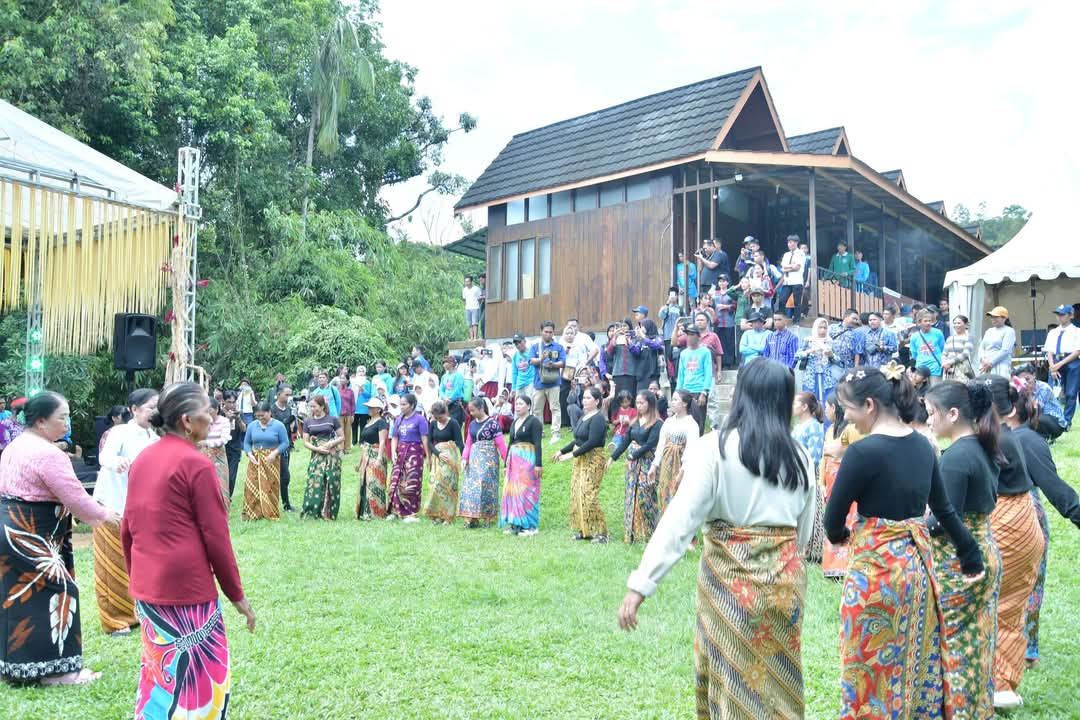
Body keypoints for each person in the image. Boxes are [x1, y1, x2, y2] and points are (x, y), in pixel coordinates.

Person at [618, 360, 815, 719]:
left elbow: (680, 522)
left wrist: (641, 584)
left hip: (730, 587)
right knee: (781, 680)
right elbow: (803, 530)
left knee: (730, 681)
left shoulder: (715, 448)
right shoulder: (799, 454)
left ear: (741, 396)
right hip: (786, 584)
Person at [826, 365, 985, 718]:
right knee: (914, 655)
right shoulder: (924, 447)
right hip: (916, 571)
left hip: (874, 576)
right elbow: (943, 509)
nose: (847, 419)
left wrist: (842, 536)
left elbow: (832, 522)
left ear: (869, 405)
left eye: (848, 410)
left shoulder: (861, 453)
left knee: (866, 663)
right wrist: (970, 553)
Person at [123, 382, 255, 718]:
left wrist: (134, 580)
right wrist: (236, 595)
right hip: (188, 589)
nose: (211, 418)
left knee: (159, 672)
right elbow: (217, 538)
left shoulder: (143, 460)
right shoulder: (196, 465)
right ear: (186, 420)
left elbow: (128, 527)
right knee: (200, 677)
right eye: (205, 412)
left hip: (149, 585)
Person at [0, 391, 119, 685]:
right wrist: (105, 515)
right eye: (62, 417)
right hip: (30, 530)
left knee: (17, 597)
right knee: (60, 591)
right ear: (41, 421)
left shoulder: (16, 446)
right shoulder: (47, 453)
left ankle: (17, 667)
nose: (67, 423)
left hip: (12, 526)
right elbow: (76, 497)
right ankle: (58, 671)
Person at [924, 380, 1006, 717]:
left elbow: (945, 521)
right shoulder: (983, 447)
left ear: (953, 414)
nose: (928, 420)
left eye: (931, 414)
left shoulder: (956, 456)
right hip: (985, 548)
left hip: (959, 563)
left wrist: (912, 523)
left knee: (954, 648)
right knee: (977, 647)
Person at [975, 375, 1046, 709]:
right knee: (1010, 609)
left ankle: (989, 683)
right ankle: (1002, 683)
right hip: (1025, 523)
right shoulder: (1012, 434)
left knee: (990, 605)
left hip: (1007, 524)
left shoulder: (991, 438)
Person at [1003, 381, 1080, 676]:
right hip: (999, 519)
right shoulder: (997, 436)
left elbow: (1055, 489)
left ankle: (1027, 648)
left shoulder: (1027, 440)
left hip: (1025, 517)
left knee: (1028, 584)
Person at [93, 388, 160, 636]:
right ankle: (115, 620)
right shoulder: (119, 432)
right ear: (133, 409)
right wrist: (116, 462)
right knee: (112, 564)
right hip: (111, 506)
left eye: (157, 407)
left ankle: (140, 612)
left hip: (140, 511)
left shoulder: (155, 438)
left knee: (139, 563)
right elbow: (104, 456)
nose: (154, 411)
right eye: (149, 407)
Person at [554, 386, 609, 543]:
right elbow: (577, 439)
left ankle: (602, 533)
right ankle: (585, 530)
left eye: (588, 398)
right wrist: (561, 451)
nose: (585, 401)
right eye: (584, 397)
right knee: (577, 493)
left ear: (597, 401)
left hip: (593, 459)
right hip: (580, 459)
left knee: (588, 494)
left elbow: (592, 442)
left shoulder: (598, 418)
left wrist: (571, 455)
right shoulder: (584, 417)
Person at [606, 390, 661, 544]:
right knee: (632, 496)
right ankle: (633, 534)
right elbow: (625, 441)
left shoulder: (657, 423)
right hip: (633, 465)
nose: (639, 405)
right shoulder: (635, 422)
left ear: (650, 404)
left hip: (647, 463)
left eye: (642, 402)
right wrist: (612, 458)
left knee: (645, 496)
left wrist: (633, 455)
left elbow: (650, 444)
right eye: (637, 403)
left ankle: (650, 532)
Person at [459, 397, 507, 528]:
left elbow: (501, 444)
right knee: (471, 488)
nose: (471, 413)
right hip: (474, 460)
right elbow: (468, 443)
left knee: (487, 487)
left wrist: (507, 461)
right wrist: (464, 458)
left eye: (473, 410)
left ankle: (487, 518)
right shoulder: (472, 424)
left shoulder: (493, 424)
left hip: (489, 459)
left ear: (481, 408)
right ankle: (472, 519)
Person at [648, 389, 698, 515]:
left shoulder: (691, 424)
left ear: (685, 404)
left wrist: (682, 471)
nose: (672, 402)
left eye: (676, 400)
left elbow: (691, 451)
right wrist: (654, 466)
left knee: (680, 498)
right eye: (672, 399)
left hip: (681, 466)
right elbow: (661, 445)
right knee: (665, 494)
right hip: (666, 465)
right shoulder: (669, 422)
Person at [500, 394, 544, 536]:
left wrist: (538, 464)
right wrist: (506, 464)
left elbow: (538, 443)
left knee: (526, 491)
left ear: (529, 406)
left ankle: (530, 526)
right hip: (514, 462)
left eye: (520, 404)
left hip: (528, 459)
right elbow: (510, 443)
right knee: (513, 492)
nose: (517, 406)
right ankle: (516, 524)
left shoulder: (534, 422)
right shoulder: (514, 422)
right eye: (516, 404)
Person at [241, 401, 289, 521]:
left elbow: (285, 443)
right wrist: (249, 453)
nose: (261, 418)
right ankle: (253, 513)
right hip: (256, 459)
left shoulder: (278, 426)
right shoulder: (252, 426)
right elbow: (247, 443)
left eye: (263, 415)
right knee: (252, 485)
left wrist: (274, 453)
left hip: (271, 460)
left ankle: (270, 511)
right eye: (258, 416)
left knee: (270, 486)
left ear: (269, 412)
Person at [388, 393, 429, 521]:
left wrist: (428, 456)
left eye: (404, 404)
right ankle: (396, 510)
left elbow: (424, 438)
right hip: (400, 453)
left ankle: (411, 513)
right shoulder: (399, 419)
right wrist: (393, 451)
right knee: (395, 481)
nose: (401, 407)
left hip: (414, 454)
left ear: (412, 405)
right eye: (400, 404)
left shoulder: (420, 419)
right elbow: (395, 436)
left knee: (412, 484)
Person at [424, 400, 463, 525]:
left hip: (450, 458)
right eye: (436, 417)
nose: (438, 419)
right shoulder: (433, 423)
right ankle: (437, 514)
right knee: (436, 486)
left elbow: (460, 442)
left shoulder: (454, 423)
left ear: (446, 412)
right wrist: (437, 454)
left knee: (448, 486)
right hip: (438, 457)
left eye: (440, 417)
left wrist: (464, 459)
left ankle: (448, 516)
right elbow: (429, 442)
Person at [530, 321, 566, 442]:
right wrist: (542, 359)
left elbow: (563, 362)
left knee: (555, 408)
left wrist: (553, 364)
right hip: (538, 383)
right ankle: (539, 432)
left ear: (553, 333)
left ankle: (556, 433)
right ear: (541, 332)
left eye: (550, 332)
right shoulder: (535, 346)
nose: (548, 334)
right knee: (537, 409)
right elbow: (531, 361)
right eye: (546, 332)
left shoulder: (558, 347)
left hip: (554, 383)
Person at [1045, 303, 1080, 429]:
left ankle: (1066, 421)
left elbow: (1077, 351)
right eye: (1057, 315)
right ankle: (1054, 419)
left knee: (1071, 393)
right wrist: (1052, 366)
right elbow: (1049, 351)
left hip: (1071, 361)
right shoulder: (1053, 332)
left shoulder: (1077, 331)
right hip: (1055, 360)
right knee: (1053, 392)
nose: (1059, 317)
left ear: (1070, 315)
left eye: (1062, 315)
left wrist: (1059, 364)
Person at [354, 397, 389, 520]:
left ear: (378, 409)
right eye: (369, 407)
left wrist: (379, 458)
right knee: (365, 482)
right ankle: (364, 511)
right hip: (366, 455)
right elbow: (364, 445)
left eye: (372, 407)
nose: (369, 409)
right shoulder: (368, 422)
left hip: (376, 454)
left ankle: (376, 513)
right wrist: (359, 463)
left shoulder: (381, 422)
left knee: (375, 483)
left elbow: (382, 441)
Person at [676, 326, 712, 435]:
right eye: (688, 335)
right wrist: (678, 392)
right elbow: (681, 374)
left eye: (692, 334)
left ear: (698, 337)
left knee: (699, 420)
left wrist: (704, 392)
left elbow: (708, 372)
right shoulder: (683, 353)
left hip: (699, 390)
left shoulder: (705, 352)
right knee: (684, 420)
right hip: (685, 391)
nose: (690, 337)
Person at [268, 385, 298, 512]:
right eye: (286, 394)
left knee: (283, 477)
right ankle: (278, 504)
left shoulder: (289, 409)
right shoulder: (271, 409)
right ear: (279, 394)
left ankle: (285, 504)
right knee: (283, 476)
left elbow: (293, 429)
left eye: (290, 394)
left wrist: (294, 420)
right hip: (275, 446)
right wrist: (286, 421)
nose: (288, 397)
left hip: (286, 444)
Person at [201, 398, 233, 505]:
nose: (208, 413)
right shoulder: (200, 422)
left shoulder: (224, 421)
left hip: (218, 456)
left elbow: (225, 439)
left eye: (210, 410)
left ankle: (222, 508)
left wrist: (207, 443)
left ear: (217, 409)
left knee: (220, 483)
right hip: (202, 456)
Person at [978, 306, 1016, 377]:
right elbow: (981, 348)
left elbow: (1005, 350)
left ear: (1004, 318)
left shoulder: (1009, 331)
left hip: (1001, 366)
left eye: (996, 317)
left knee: (999, 387)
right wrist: (983, 359)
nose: (993, 319)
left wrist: (991, 363)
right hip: (985, 365)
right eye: (992, 317)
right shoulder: (989, 331)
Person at [909, 309, 946, 384]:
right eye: (925, 321)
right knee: (921, 393)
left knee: (935, 393)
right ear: (919, 322)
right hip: (920, 369)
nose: (928, 323)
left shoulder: (938, 333)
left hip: (935, 369)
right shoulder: (914, 337)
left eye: (930, 321)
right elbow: (914, 354)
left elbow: (943, 350)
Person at [630, 315, 664, 394]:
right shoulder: (641, 341)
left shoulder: (658, 338)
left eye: (642, 327)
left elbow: (656, 345)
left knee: (652, 397)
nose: (641, 329)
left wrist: (643, 337)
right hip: (641, 374)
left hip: (653, 374)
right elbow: (636, 351)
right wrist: (629, 342)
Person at [776, 234, 805, 322]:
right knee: (782, 300)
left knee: (797, 302)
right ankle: (781, 318)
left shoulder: (800, 253)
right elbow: (782, 268)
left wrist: (788, 267)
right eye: (788, 242)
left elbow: (797, 267)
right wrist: (791, 267)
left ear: (796, 243)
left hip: (797, 281)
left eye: (791, 242)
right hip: (787, 281)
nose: (789, 244)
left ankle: (796, 321)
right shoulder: (786, 254)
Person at [222, 392, 246, 498]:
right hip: (222, 448)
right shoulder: (219, 414)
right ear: (223, 402)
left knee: (232, 476)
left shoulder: (239, 413)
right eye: (229, 402)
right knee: (222, 475)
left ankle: (228, 497)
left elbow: (244, 429)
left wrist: (238, 418)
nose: (231, 405)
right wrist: (227, 419)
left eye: (233, 402)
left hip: (235, 449)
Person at [941, 314, 976, 381]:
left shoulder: (968, 338)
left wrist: (950, 362)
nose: (956, 325)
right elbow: (944, 353)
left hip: (961, 369)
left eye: (959, 323)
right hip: (949, 370)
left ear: (965, 324)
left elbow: (965, 354)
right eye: (955, 323)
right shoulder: (949, 338)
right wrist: (944, 363)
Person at [463, 274, 483, 340]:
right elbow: (465, 299)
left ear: (471, 281)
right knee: (469, 323)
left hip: (475, 307)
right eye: (465, 282)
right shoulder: (464, 290)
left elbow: (480, 298)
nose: (466, 283)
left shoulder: (476, 289)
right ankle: (471, 337)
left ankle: (475, 337)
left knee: (475, 323)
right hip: (467, 308)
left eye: (468, 281)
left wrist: (478, 304)